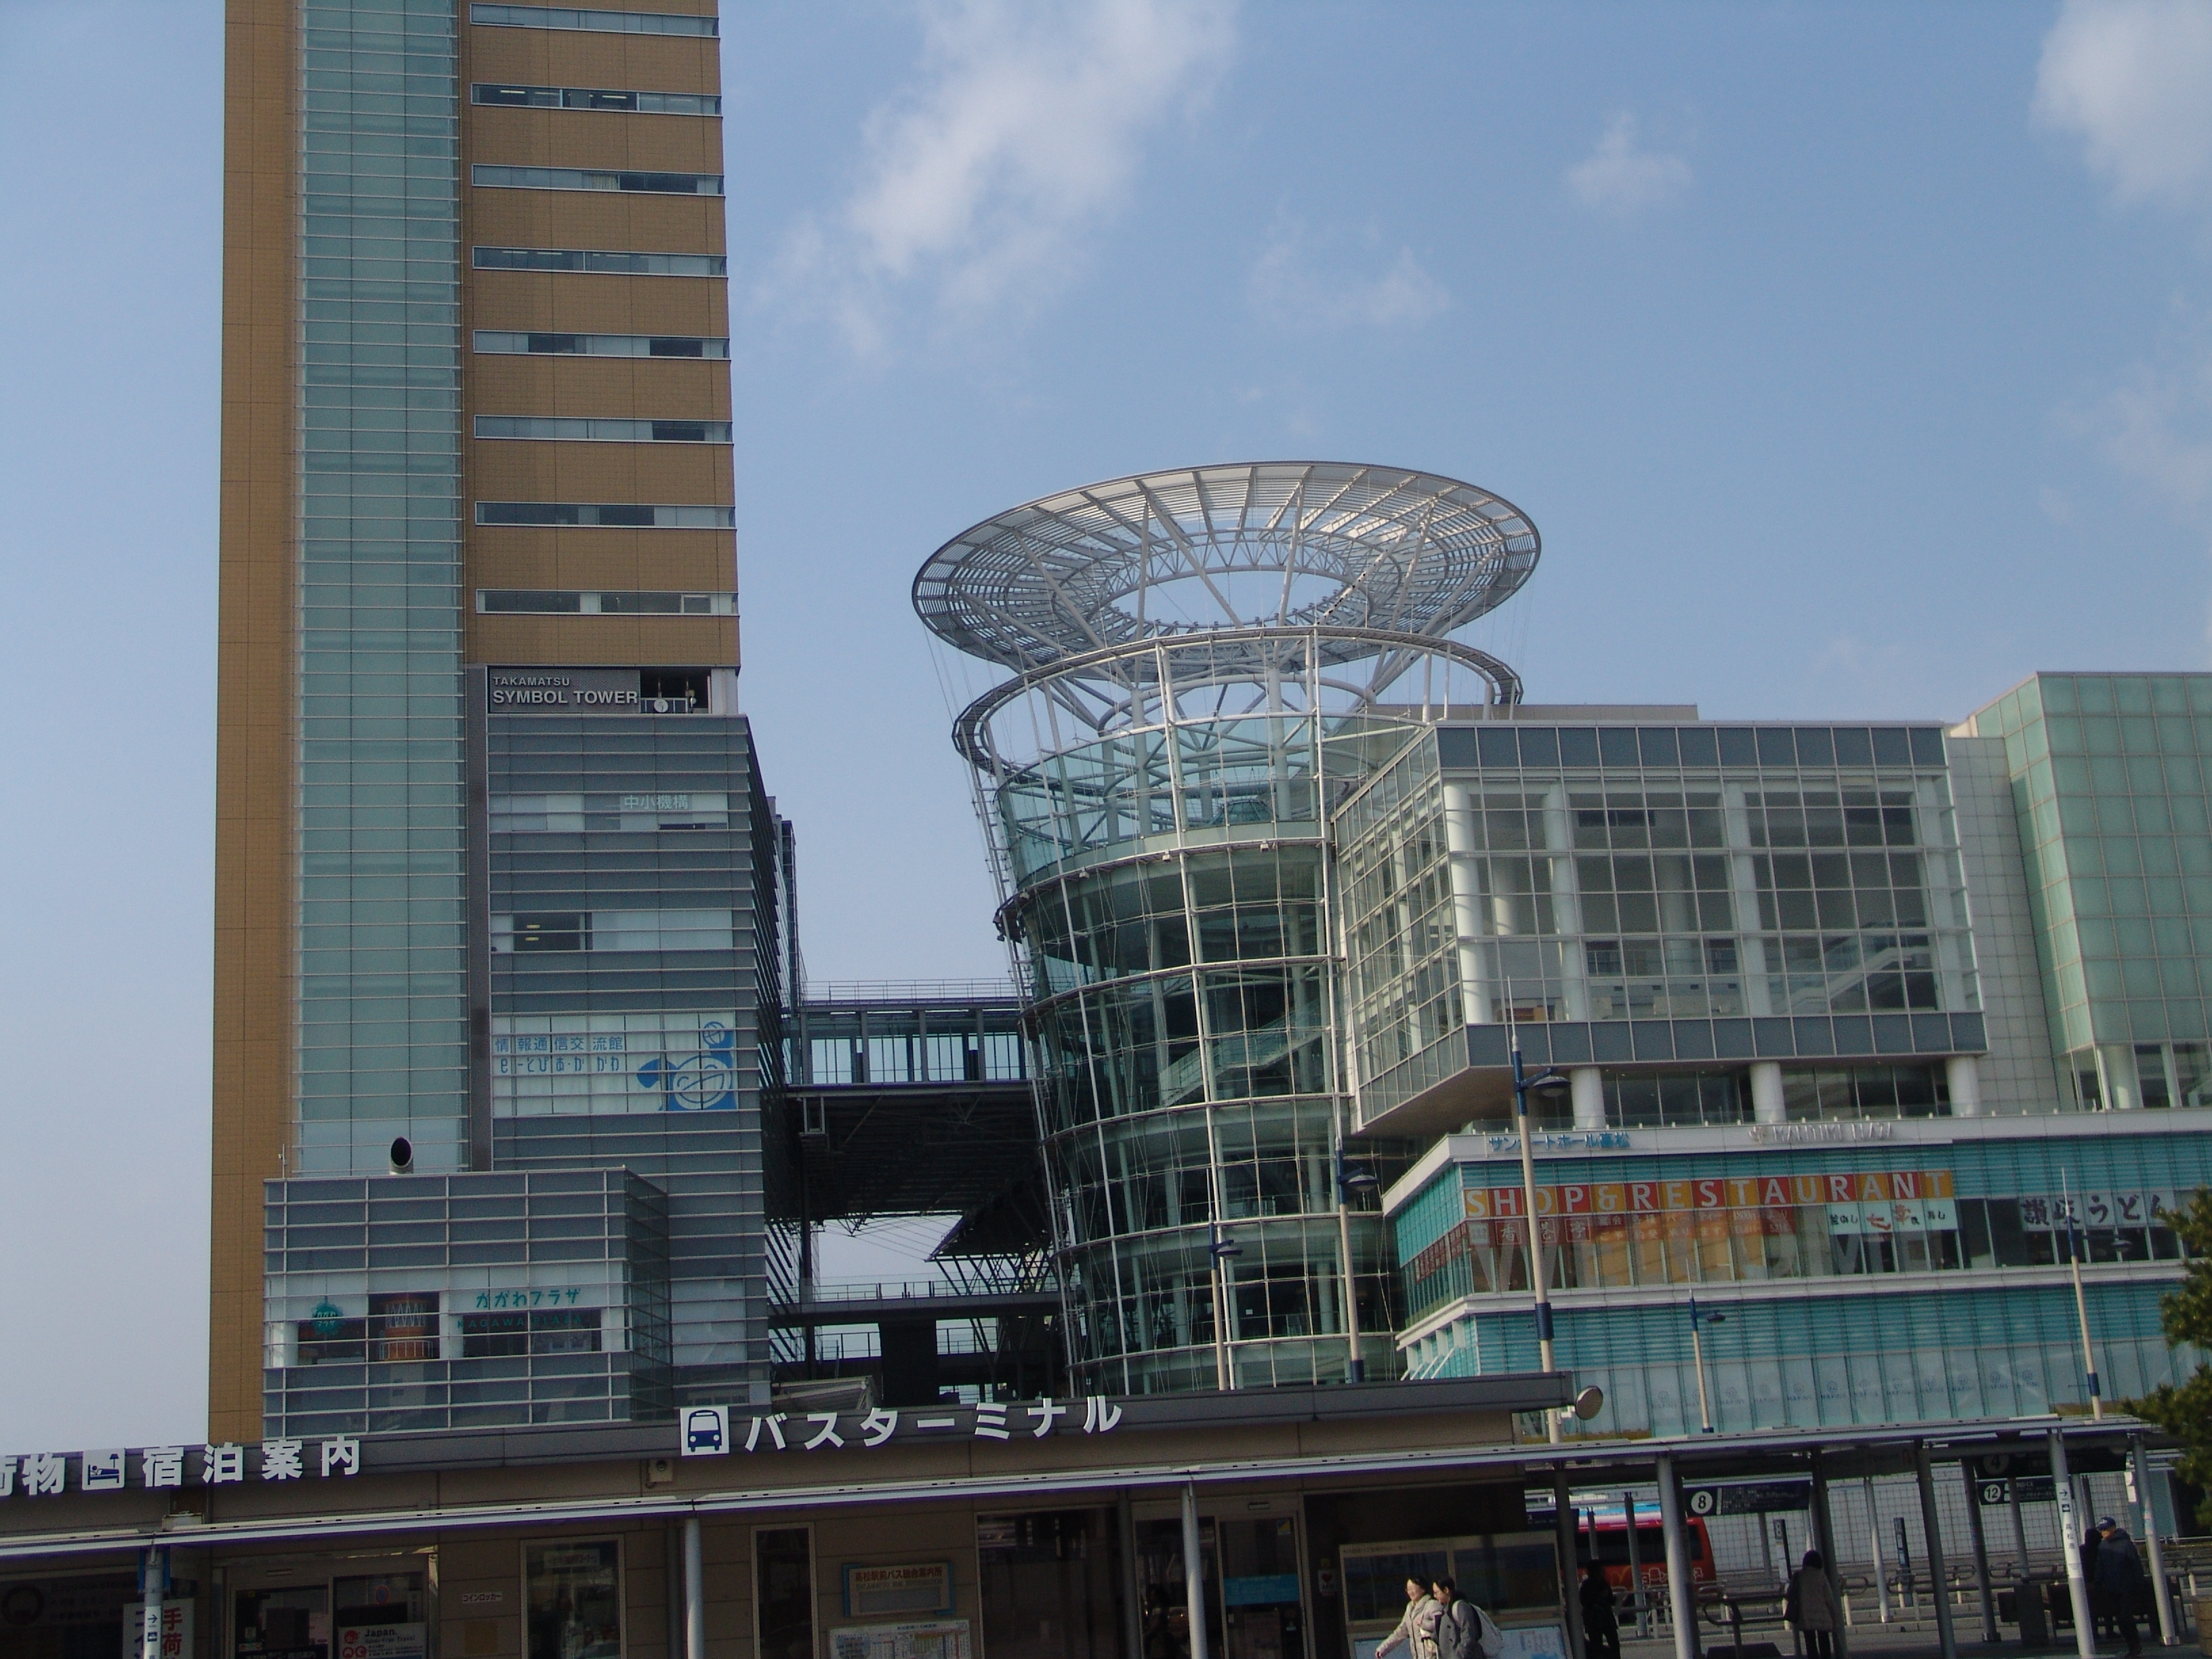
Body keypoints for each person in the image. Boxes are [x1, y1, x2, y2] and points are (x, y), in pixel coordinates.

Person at [2093, 1516, 2146, 1658]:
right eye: (2101, 1530)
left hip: (2128, 1588)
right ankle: (2132, 1647)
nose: (2103, 1532)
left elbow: (2136, 1566)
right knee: (2121, 1619)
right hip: (2112, 1589)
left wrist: (2139, 1585)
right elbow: (2100, 1567)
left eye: (2105, 1529)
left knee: (2125, 1616)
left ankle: (2136, 1646)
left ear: (2113, 1528)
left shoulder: (2126, 1545)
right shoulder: (2102, 1546)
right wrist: (2098, 1583)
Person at [1785, 1550, 1840, 1659]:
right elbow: (1829, 1599)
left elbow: (1790, 1594)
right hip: (1822, 1614)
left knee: (1810, 1642)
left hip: (1805, 1614)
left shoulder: (1799, 1576)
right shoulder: (1821, 1576)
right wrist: (1835, 1617)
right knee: (1824, 1640)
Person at [1376, 1578, 1439, 1659]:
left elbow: (1441, 1627)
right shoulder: (1410, 1608)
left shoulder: (1432, 1605)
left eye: (1413, 1588)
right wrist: (1383, 1649)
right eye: (1408, 1589)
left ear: (1423, 1589)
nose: (1410, 1592)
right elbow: (1401, 1632)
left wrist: (1424, 1624)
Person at [1578, 1563, 1621, 1659]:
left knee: (1614, 1643)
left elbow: (1610, 1599)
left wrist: (1616, 1599)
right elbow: (1584, 1601)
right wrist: (1598, 1597)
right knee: (1596, 1645)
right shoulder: (1587, 1585)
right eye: (1601, 1570)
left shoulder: (1604, 1583)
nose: (1604, 1572)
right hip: (1594, 1620)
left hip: (1607, 1619)